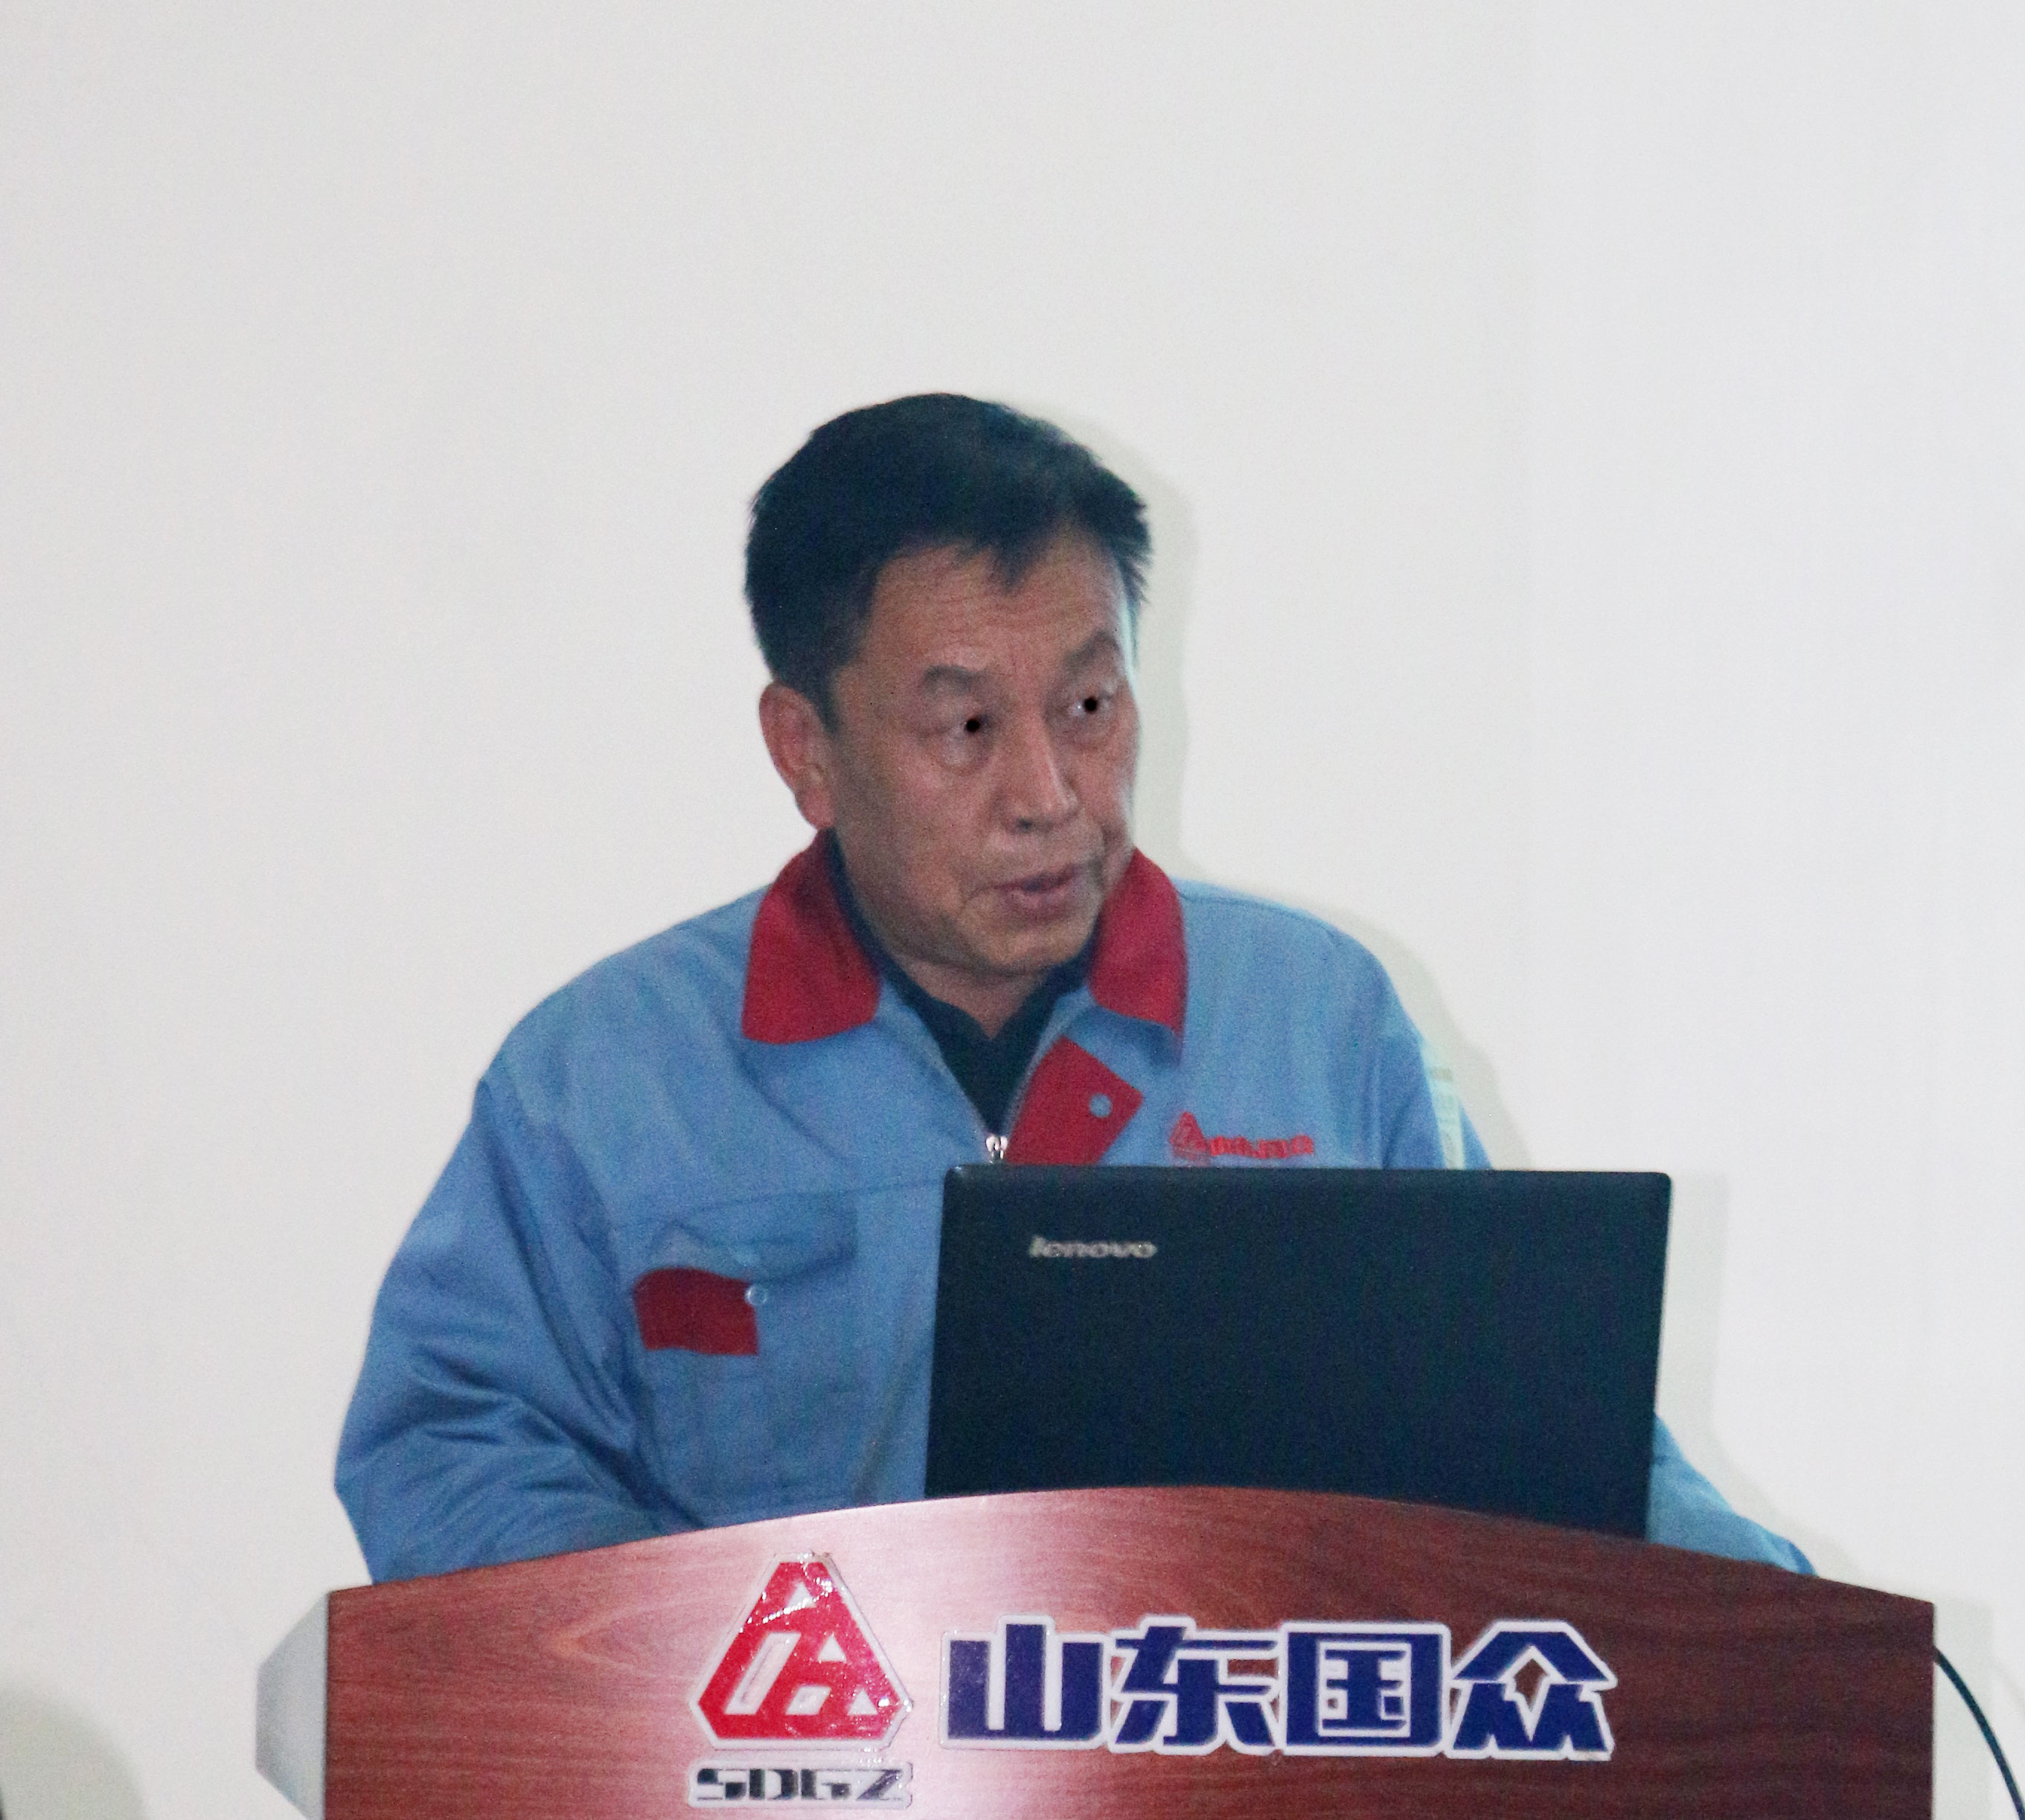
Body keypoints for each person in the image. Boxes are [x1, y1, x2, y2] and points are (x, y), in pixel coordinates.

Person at [336, 394, 1808, 1581]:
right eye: (967, 728)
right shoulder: (607, 1077)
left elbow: (1542, 1438)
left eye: (1088, 706)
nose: (1048, 792)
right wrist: (713, 1678)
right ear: (805, 750)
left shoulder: (1317, 1023)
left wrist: (1800, 1644)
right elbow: (450, 1440)